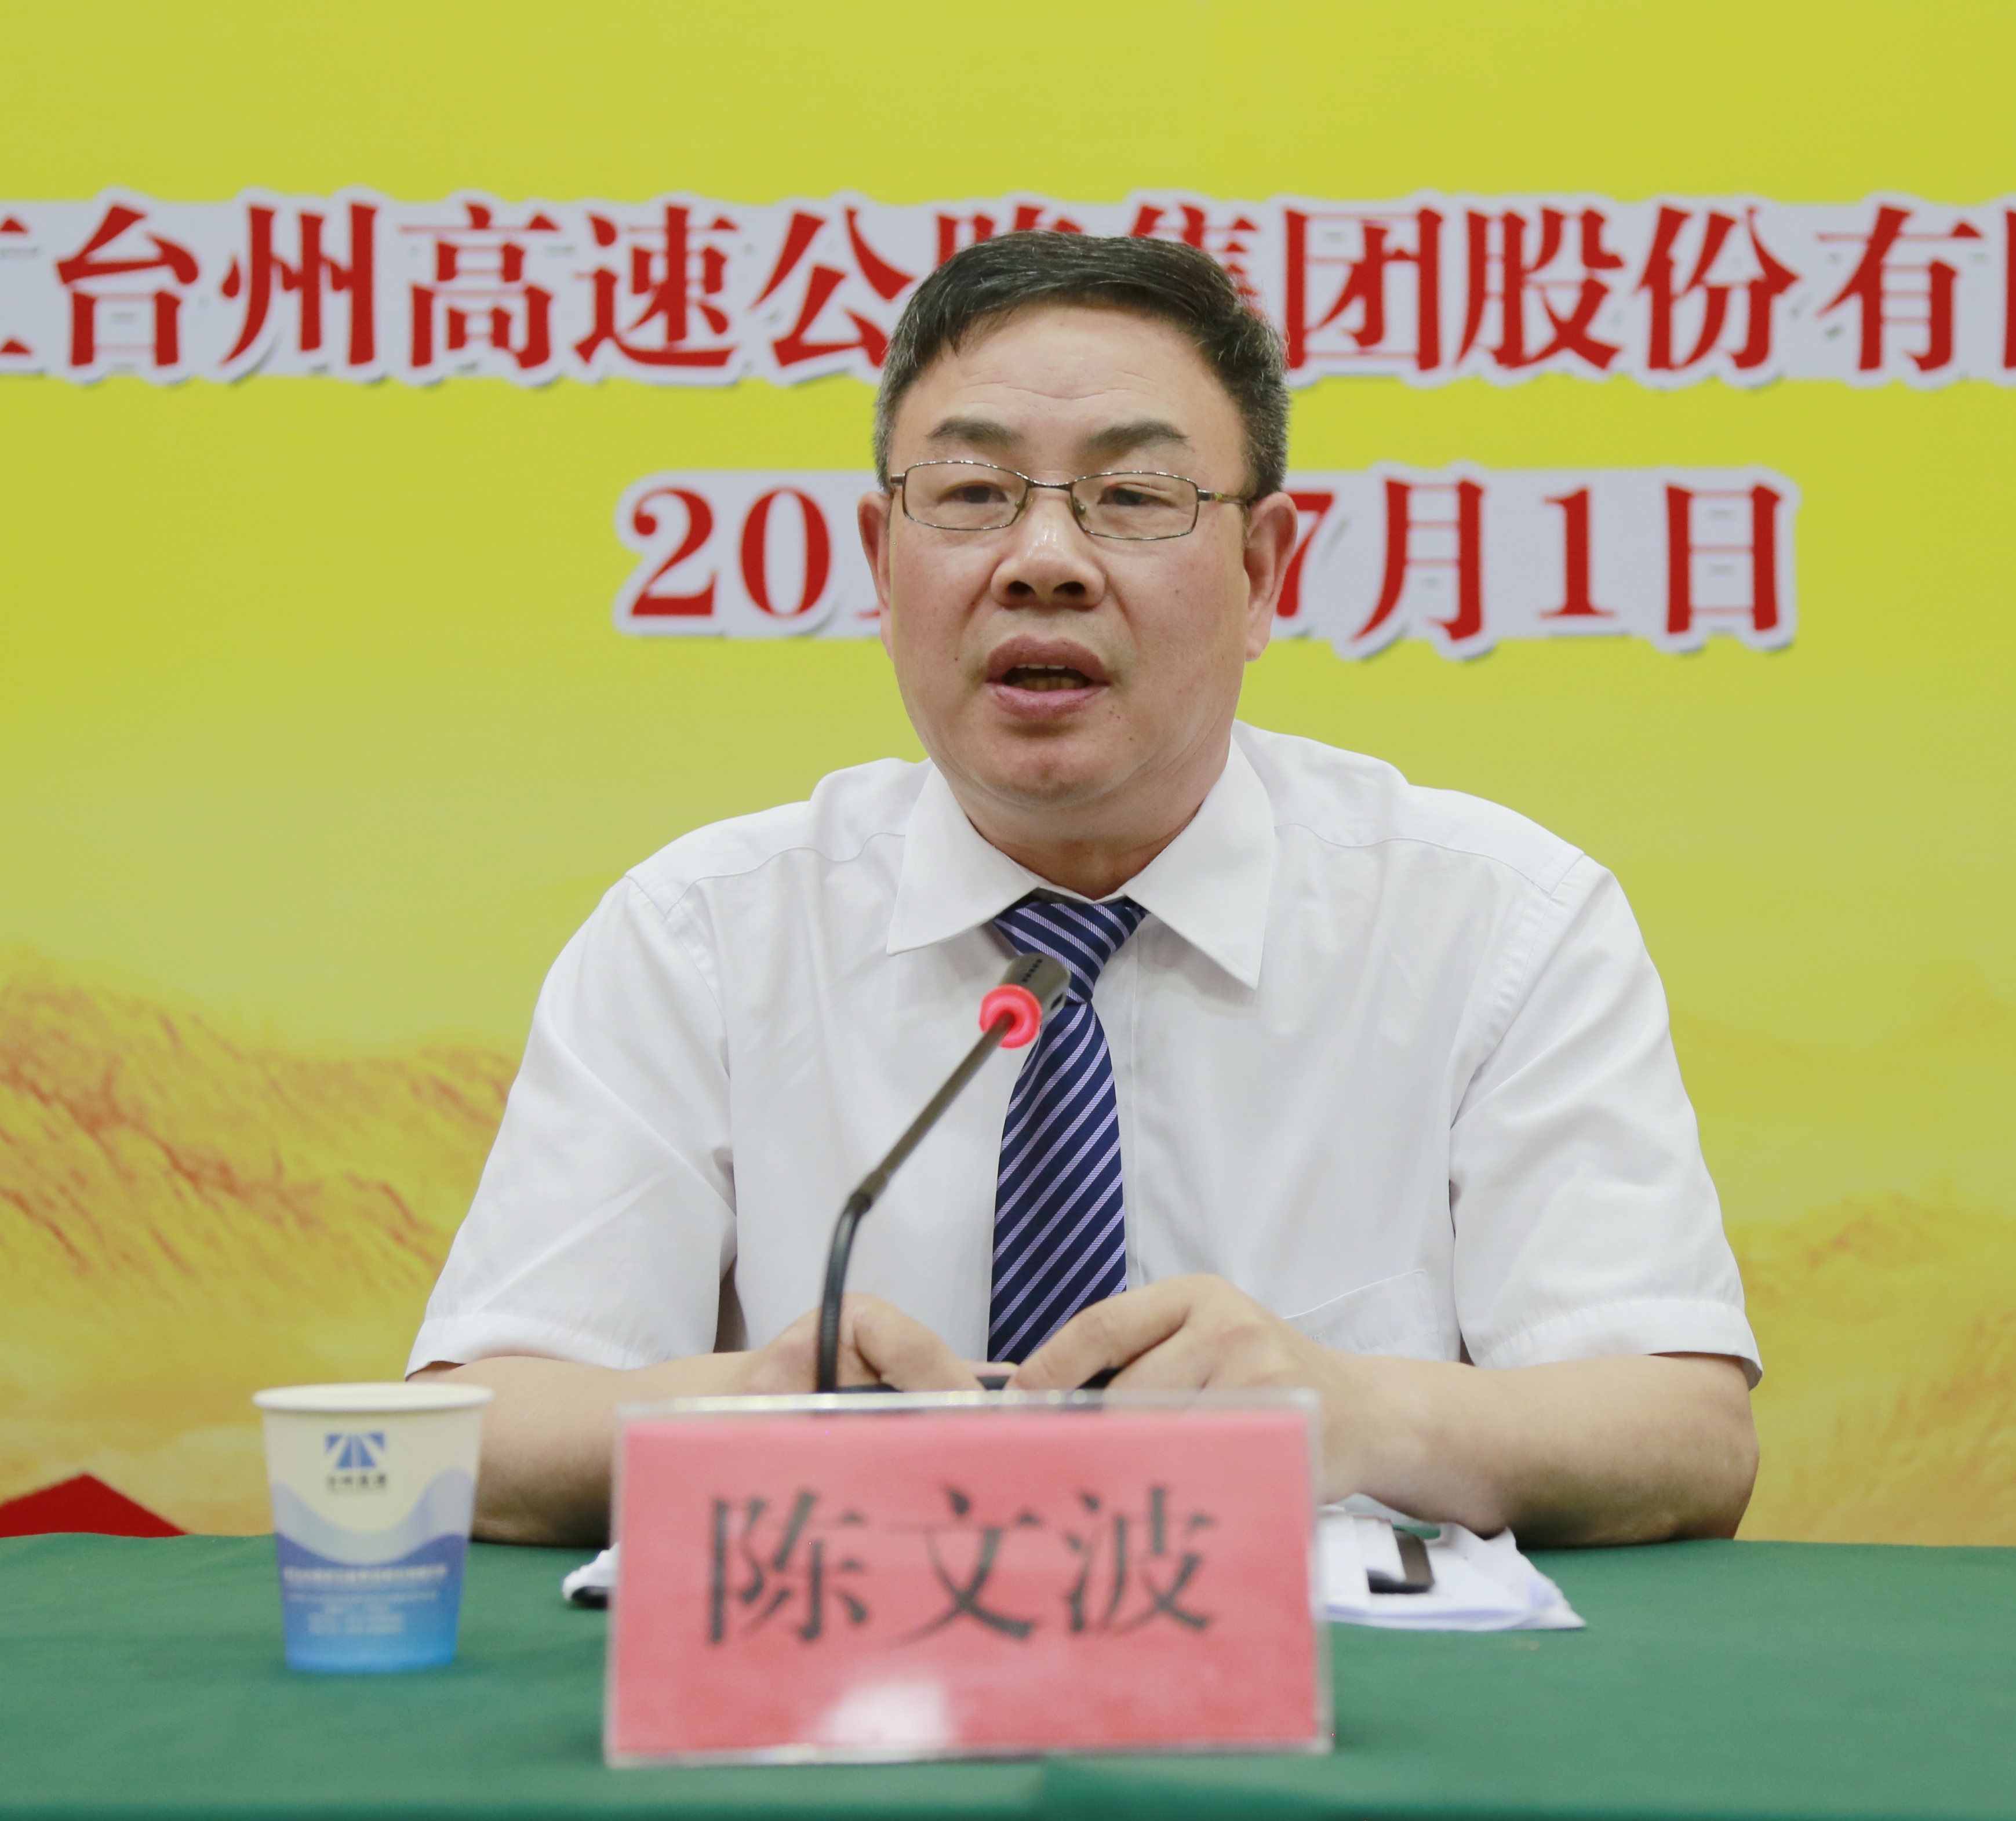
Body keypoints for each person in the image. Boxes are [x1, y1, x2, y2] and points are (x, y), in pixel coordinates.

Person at [410, 233, 1760, 1552]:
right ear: (881, 562)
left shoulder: (1494, 921)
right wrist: (741, 1409)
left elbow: (1685, 1433)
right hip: (850, 1682)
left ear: (1258, 572)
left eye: (1132, 496)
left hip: (1341, 1691)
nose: (1042, 558)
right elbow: (478, 1424)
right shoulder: (703, 933)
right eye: (969, 493)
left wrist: (1352, 1409)